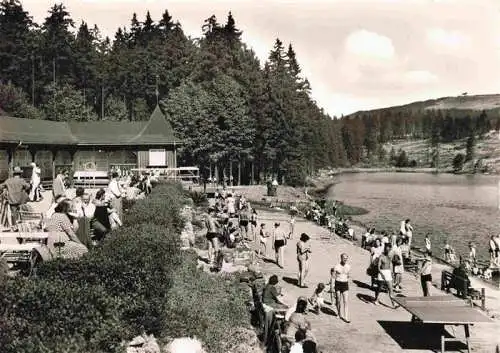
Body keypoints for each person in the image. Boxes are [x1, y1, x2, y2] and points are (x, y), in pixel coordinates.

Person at [374, 243, 397, 308]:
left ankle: (393, 303)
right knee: (379, 288)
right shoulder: (381, 256)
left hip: (388, 272)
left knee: (390, 288)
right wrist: (382, 274)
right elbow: (378, 267)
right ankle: (376, 299)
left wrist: (392, 274)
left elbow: (390, 266)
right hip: (381, 272)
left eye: (389, 249)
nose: (388, 250)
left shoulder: (389, 257)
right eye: (387, 249)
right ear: (385, 249)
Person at [333, 253, 351, 322]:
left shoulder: (348, 266)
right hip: (338, 283)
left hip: (345, 284)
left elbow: (348, 275)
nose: (345, 259)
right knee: (338, 300)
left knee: (345, 301)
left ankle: (346, 317)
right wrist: (332, 286)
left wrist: (345, 278)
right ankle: (339, 313)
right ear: (341, 258)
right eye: (344, 258)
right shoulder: (336, 266)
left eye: (346, 258)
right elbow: (333, 276)